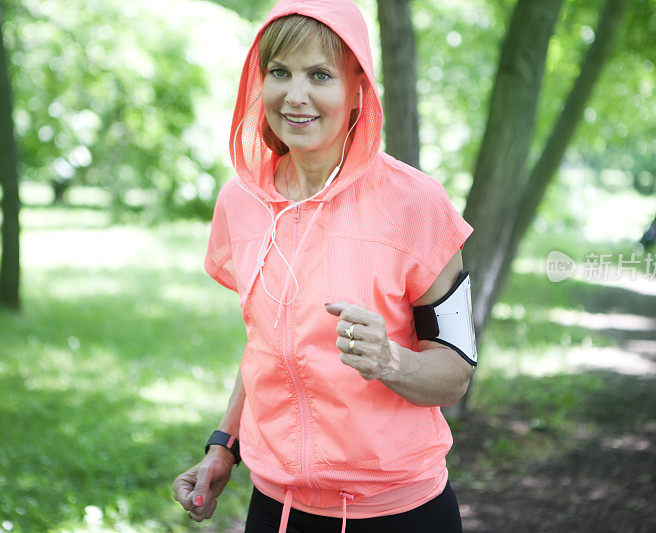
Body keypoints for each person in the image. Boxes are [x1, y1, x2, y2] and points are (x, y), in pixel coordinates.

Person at [172, 1, 477, 531]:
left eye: (320, 75)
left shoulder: (416, 205)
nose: (296, 96)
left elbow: (456, 371)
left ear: (359, 87)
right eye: (279, 72)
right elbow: (266, 347)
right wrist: (224, 446)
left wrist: (390, 362)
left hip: (400, 511)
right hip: (277, 511)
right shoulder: (241, 202)